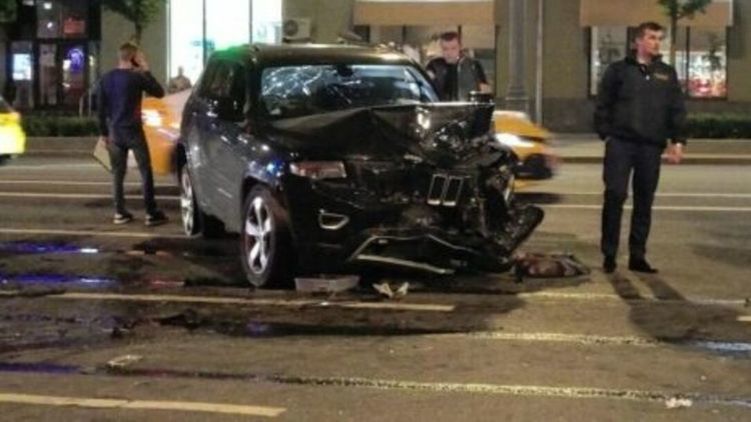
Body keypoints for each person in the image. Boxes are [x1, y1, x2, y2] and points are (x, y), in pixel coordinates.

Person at [594, 22, 686, 274]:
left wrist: (677, 141)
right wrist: (606, 134)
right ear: (637, 41)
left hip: (650, 146)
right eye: (651, 37)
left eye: (659, 38)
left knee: (644, 201)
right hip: (621, 144)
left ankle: (638, 255)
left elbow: (676, 109)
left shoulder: (666, 74)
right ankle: (609, 253)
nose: (656, 42)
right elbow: (603, 104)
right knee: (615, 195)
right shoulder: (618, 71)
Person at [97, 42, 167, 226]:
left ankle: (120, 212)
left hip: (115, 132)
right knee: (145, 170)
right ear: (134, 58)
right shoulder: (137, 77)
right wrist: (146, 70)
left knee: (117, 173)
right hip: (134, 130)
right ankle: (151, 212)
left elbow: (100, 109)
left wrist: (104, 133)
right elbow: (159, 92)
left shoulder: (106, 79)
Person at [426, 31, 491, 101]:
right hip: (440, 105)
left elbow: (484, 90)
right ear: (441, 48)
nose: (449, 52)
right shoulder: (434, 65)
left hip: (466, 105)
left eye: (453, 48)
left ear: (460, 47)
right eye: (445, 49)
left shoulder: (472, 65)